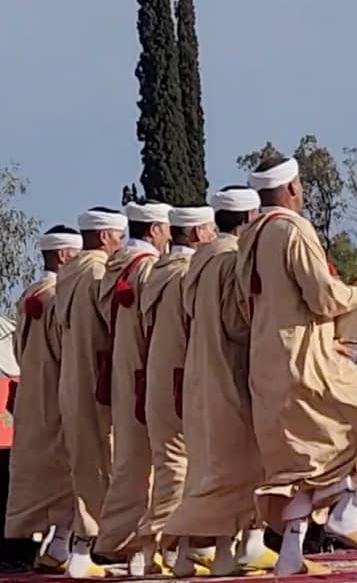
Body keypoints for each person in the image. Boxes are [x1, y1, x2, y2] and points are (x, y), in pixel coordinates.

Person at [234, 157, 357, 575]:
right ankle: (348, 501)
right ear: (293, 187)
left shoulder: (249, 238)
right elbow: (324, 296)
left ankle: (291, 555)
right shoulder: (293, 229)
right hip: (305, 360)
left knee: (300, 462)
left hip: (266, 364)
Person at [166, 186, 279, 576]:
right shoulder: (232, 261)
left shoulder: (196, 264)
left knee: (205, 469)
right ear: (249, 220)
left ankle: (186, 554)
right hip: (229, 374)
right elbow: (237, 322)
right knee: (236, 470)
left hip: (199, 374)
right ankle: (226, 554)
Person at [136, 206, 217, 576]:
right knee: (177, 468)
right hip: (181, 380)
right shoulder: (185, 275)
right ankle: (150, 546)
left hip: (158, 376)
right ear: (198, 234)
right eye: (211, 228)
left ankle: (176, 551)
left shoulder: (158, 271)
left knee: (175, 467)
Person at [95, 200, 172, 573]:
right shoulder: (146, 269)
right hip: (144, 368)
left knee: (129, 459)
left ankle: (116, 538)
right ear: (155, 230)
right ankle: (141, 544)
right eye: (166, 229)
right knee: (153, 462)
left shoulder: (116, 267)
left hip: (122, 367)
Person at [5, 226, 83, 573]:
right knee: (71, 468)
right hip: (60, 391)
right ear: (65, 255)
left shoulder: (29, 295)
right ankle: (64, 545)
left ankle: (58, 544)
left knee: (48, 469)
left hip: (34, 393)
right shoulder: (59, 296)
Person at [57, 207, 127, 579]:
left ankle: (82, 550)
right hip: (100, 384)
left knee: (86, 466)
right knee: (114, 463)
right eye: (119, 237)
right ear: (104, 238)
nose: (121, 245)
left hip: (72, 385)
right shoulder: (99, 272)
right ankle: (104, 548)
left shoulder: (66, 275)